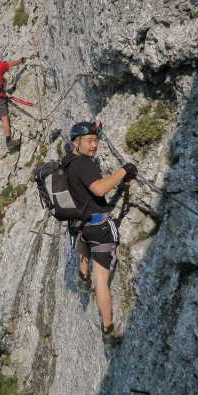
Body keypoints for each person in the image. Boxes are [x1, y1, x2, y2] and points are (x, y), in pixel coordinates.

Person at [63, 120, 138, 348]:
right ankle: (108, 331)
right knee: (102, 280)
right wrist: (125, 170)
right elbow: (99, 189)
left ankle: (83, 277)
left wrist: (93, 127)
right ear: (76, 143)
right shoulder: (84, 164)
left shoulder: (67, 162)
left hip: (81, 227)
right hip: (101, 229)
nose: (94, 145)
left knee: (83, 240)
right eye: (89, 141)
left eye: (96, 140)